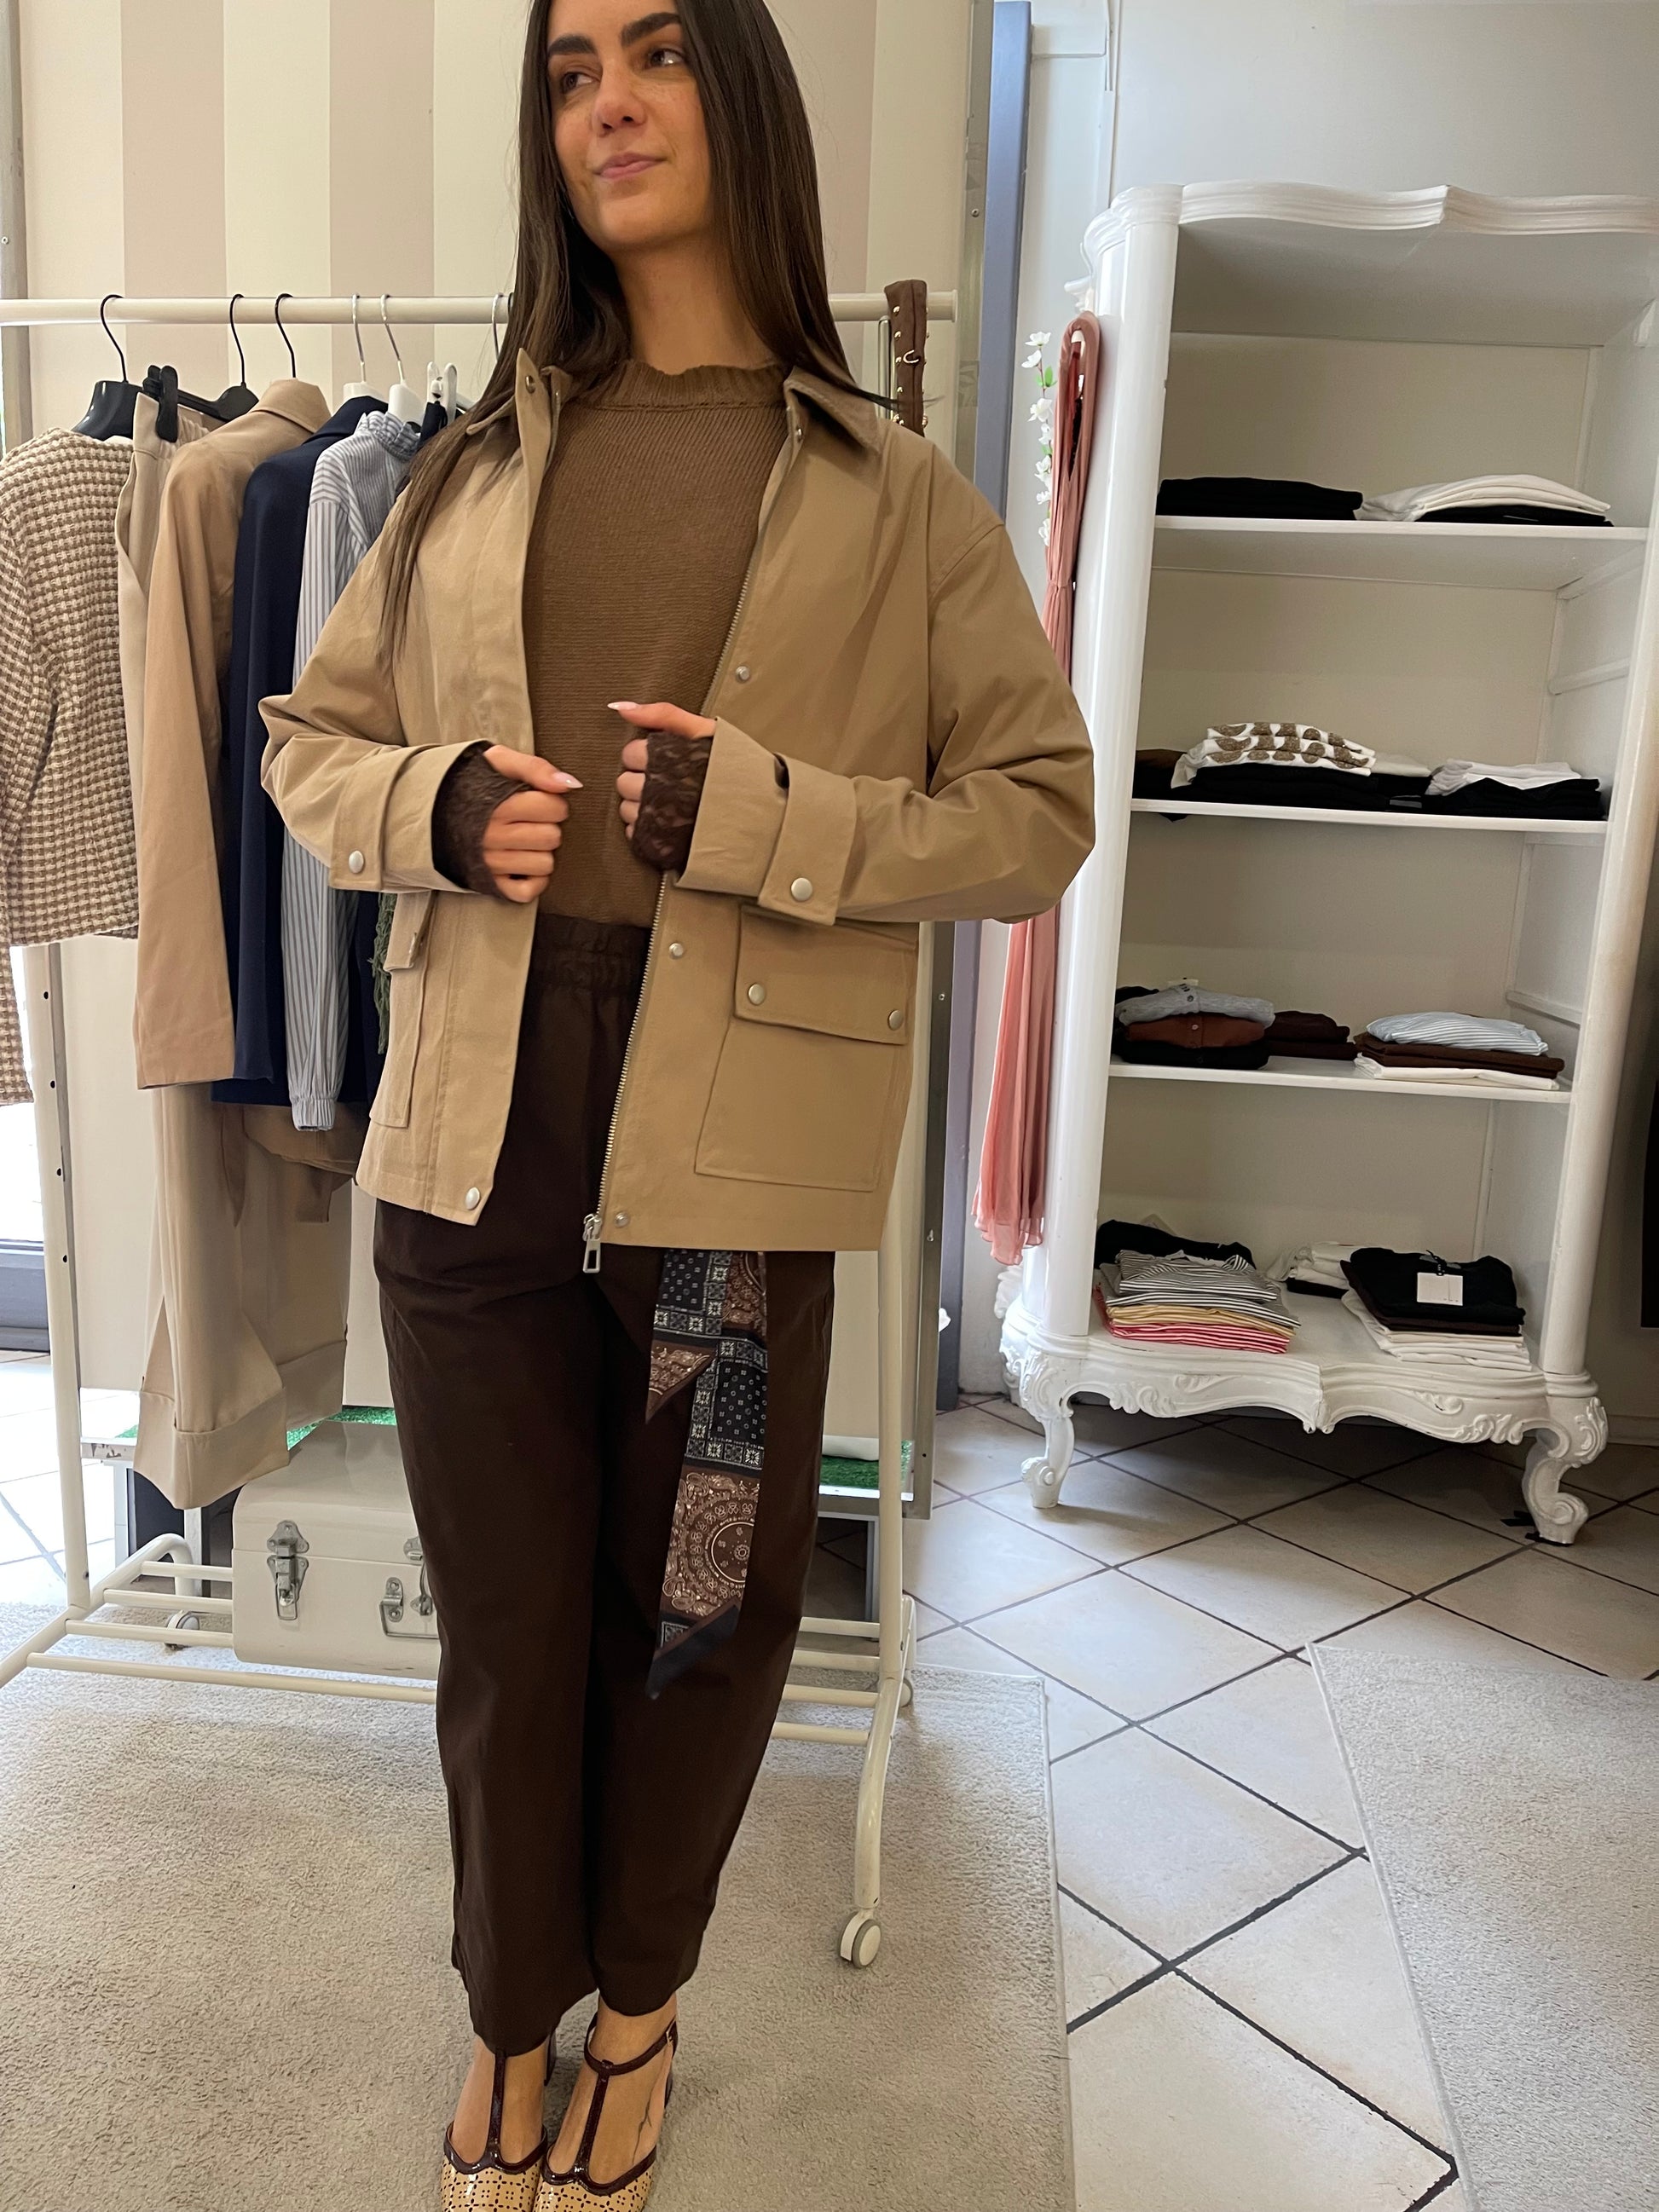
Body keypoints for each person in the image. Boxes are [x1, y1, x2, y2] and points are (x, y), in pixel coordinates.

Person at [261, 0, 1093, 2203]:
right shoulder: (464, 467)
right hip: (474, 1119)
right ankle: (505, 2010)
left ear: (741, 94)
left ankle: (635, 2013)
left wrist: (774, 821)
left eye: (651, 55)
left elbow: (1035, 813)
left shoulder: (893, 495)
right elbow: (307, 743)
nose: (606, 105)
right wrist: (442, 804)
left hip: (735, 1142)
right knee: (505, 1614)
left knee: (699, 1608)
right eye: (567, 72)